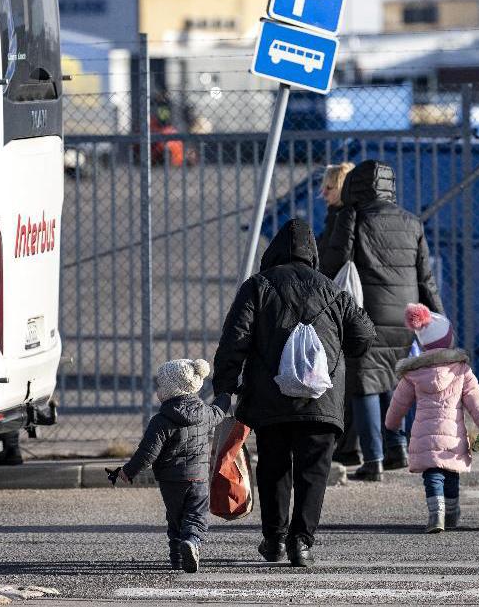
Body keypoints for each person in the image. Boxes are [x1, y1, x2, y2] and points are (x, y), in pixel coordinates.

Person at [213, 219, 375, 567]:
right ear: (312, 253)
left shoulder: (258, 286)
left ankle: (274, 539)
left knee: (273, 465)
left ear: (272, 252)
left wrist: (224, 389)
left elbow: (234, 341)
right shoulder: (333, 290)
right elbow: (363, 337)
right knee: (313, 469)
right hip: (322, 399)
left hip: (270, 397)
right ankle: (301, 543)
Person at [319, 159, 444, 482]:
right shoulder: (411, 222)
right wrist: (437, 317)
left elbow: (336, 260)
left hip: (367, 313)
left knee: (364, 385)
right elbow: (425, 277)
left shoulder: (353, 216)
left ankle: (372, 459)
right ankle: (396, 448)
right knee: (392, 379)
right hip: (405, 317)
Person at [385, 303, 479, 533]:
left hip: (424, 437)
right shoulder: (460, 370)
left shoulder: (413, 373)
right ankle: (452, 512)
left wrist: (391, 425)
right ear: (448, 339)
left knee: (432, 476)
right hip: (453, 437)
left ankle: (436, 515)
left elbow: (398, 403)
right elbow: (477, 403)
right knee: (451, 475)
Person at [111, 359, 225, 573]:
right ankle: (192, 541)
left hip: (171, 481)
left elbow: (147, 452)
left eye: (160, 385)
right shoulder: (205, 414)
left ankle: (177, 560)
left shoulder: (161, 420)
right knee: (196, 516)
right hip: (199, 478)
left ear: (170, 388)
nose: (157, 390)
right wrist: (225, 396)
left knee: (175, 520)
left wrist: (128, 471)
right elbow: (219, 412)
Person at [317, 162, 361, 467]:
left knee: (343, 376)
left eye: (329, 187)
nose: (323, 193)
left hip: (343, 303)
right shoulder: (339, 214)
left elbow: (338, 255)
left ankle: (348, 445)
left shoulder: (344, 216)